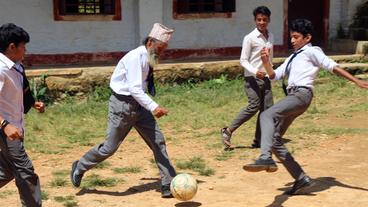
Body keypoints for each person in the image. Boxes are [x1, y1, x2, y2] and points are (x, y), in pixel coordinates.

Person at [243, 19, 368, 195]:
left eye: (296, 37)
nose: (292, 41)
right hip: (295, 97)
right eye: (291, 37)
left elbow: (332, 66)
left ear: (307, 37)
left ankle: (265, 158)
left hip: (301, 95)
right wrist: (265, 62)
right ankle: (300, 178)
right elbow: (273, 76)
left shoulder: (312, 51)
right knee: (274, 139)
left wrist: (356, 81)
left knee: (266, 115)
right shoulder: (292, 57)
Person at [70, 23, 177, 198]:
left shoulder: (147, 57)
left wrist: (148, 106)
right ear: (150, 42)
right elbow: (135, 89)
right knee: (109, 148)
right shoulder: (136, 57)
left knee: (158, 141)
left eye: (164, 49)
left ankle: (167, 182)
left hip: (139, 106)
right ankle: (80, 166)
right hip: (123, 106)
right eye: (160, 48)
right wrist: (154, 106)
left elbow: (140, 88)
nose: (162, 52)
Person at [0, 23, 45, 207]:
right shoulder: (1, 70)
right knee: (26, 172)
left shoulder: (14, 66)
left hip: (14, 128)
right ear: (12, 46)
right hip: (5, 129)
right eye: (23, 46)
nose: (25, 51)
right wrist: (5, 125)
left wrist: (30, 103)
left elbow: (13, 92)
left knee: (7, 170)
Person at [221, 6, 274, 149]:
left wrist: (271, 73)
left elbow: (270, 59)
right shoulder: (249, 38)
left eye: (264, 19)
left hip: (266, 78)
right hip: (252, 79)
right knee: (254, 106)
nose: (261, 22)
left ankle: (259, 140)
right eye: (259, 20)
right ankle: (228, 131)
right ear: (255, 20)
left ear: (269, 20)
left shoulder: (271, 37)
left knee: (267, 110)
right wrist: (255, 71)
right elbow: (243, 60)